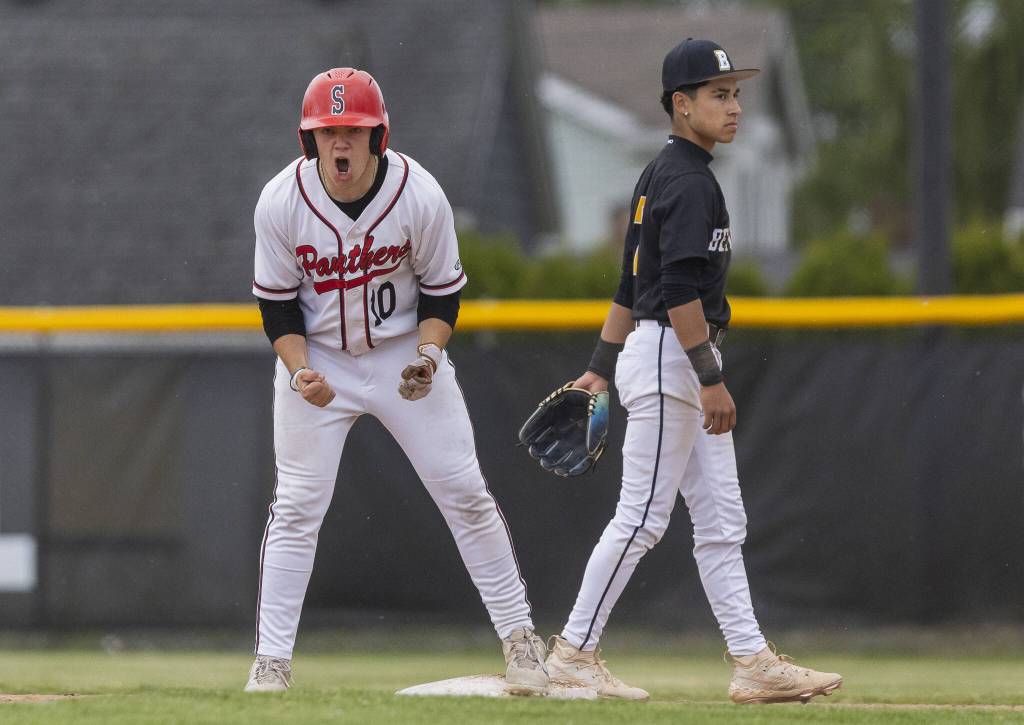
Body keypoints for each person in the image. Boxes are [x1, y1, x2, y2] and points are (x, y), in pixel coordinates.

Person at [543, 39, 843, 704]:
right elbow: (675, 293)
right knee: (644, 515)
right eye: (718, 94)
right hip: (672, 359)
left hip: (664, 353)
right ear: (681, 105)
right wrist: (709, 375)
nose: (733, 106)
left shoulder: (661, 175)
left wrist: (597, 368)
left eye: (734, 93)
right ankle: (571, 652)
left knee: (721, 520)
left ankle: (751, 660)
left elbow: (628, 282)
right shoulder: (685, 181)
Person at [244, 68, 547, 695]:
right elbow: (276, 308)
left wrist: (430, 358)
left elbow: (442, 294)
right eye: (327, 131)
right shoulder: (280, 201)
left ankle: (521, 641)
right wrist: (300, 371)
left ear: (379, 134)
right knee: (297, 506)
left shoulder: (420, 194)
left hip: (403, 353)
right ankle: (270, 663)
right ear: (309, 141)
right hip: (319, 355)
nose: (340, 142)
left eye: (352, 128)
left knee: (465, 492)